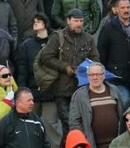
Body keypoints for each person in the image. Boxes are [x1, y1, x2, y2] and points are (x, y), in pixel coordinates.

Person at [39, 8, 100, 140]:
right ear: (68, 21)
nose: (79, 24)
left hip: (82, 89)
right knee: (68, 125)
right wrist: (65, 67)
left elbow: (96, 59)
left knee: (83, 124)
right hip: (62, 90)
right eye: (76, 21)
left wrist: (85, 68)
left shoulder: (88, 39)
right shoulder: (58, 37)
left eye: (81, 21)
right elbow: (46, 57)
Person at [16, 13, 61, 148]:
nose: (35, 23)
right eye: (34, 21)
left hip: (51, 90)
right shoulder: (26, 45)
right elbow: (22, 69)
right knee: (28, 123)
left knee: (50, 123)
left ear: (45, 23)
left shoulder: (56, 42)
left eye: (39, 21)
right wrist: (21, 90)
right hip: (32, 91)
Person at [69, 62, 124, 148]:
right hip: (92, 145)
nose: (95, 77)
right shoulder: (79, 95)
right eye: (91, 75)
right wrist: (83, 140)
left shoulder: (114, 91)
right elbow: (74, 122)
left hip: (116, 144)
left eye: (98, 74)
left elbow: (122, 115)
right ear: (87, 77)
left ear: (104, 75)